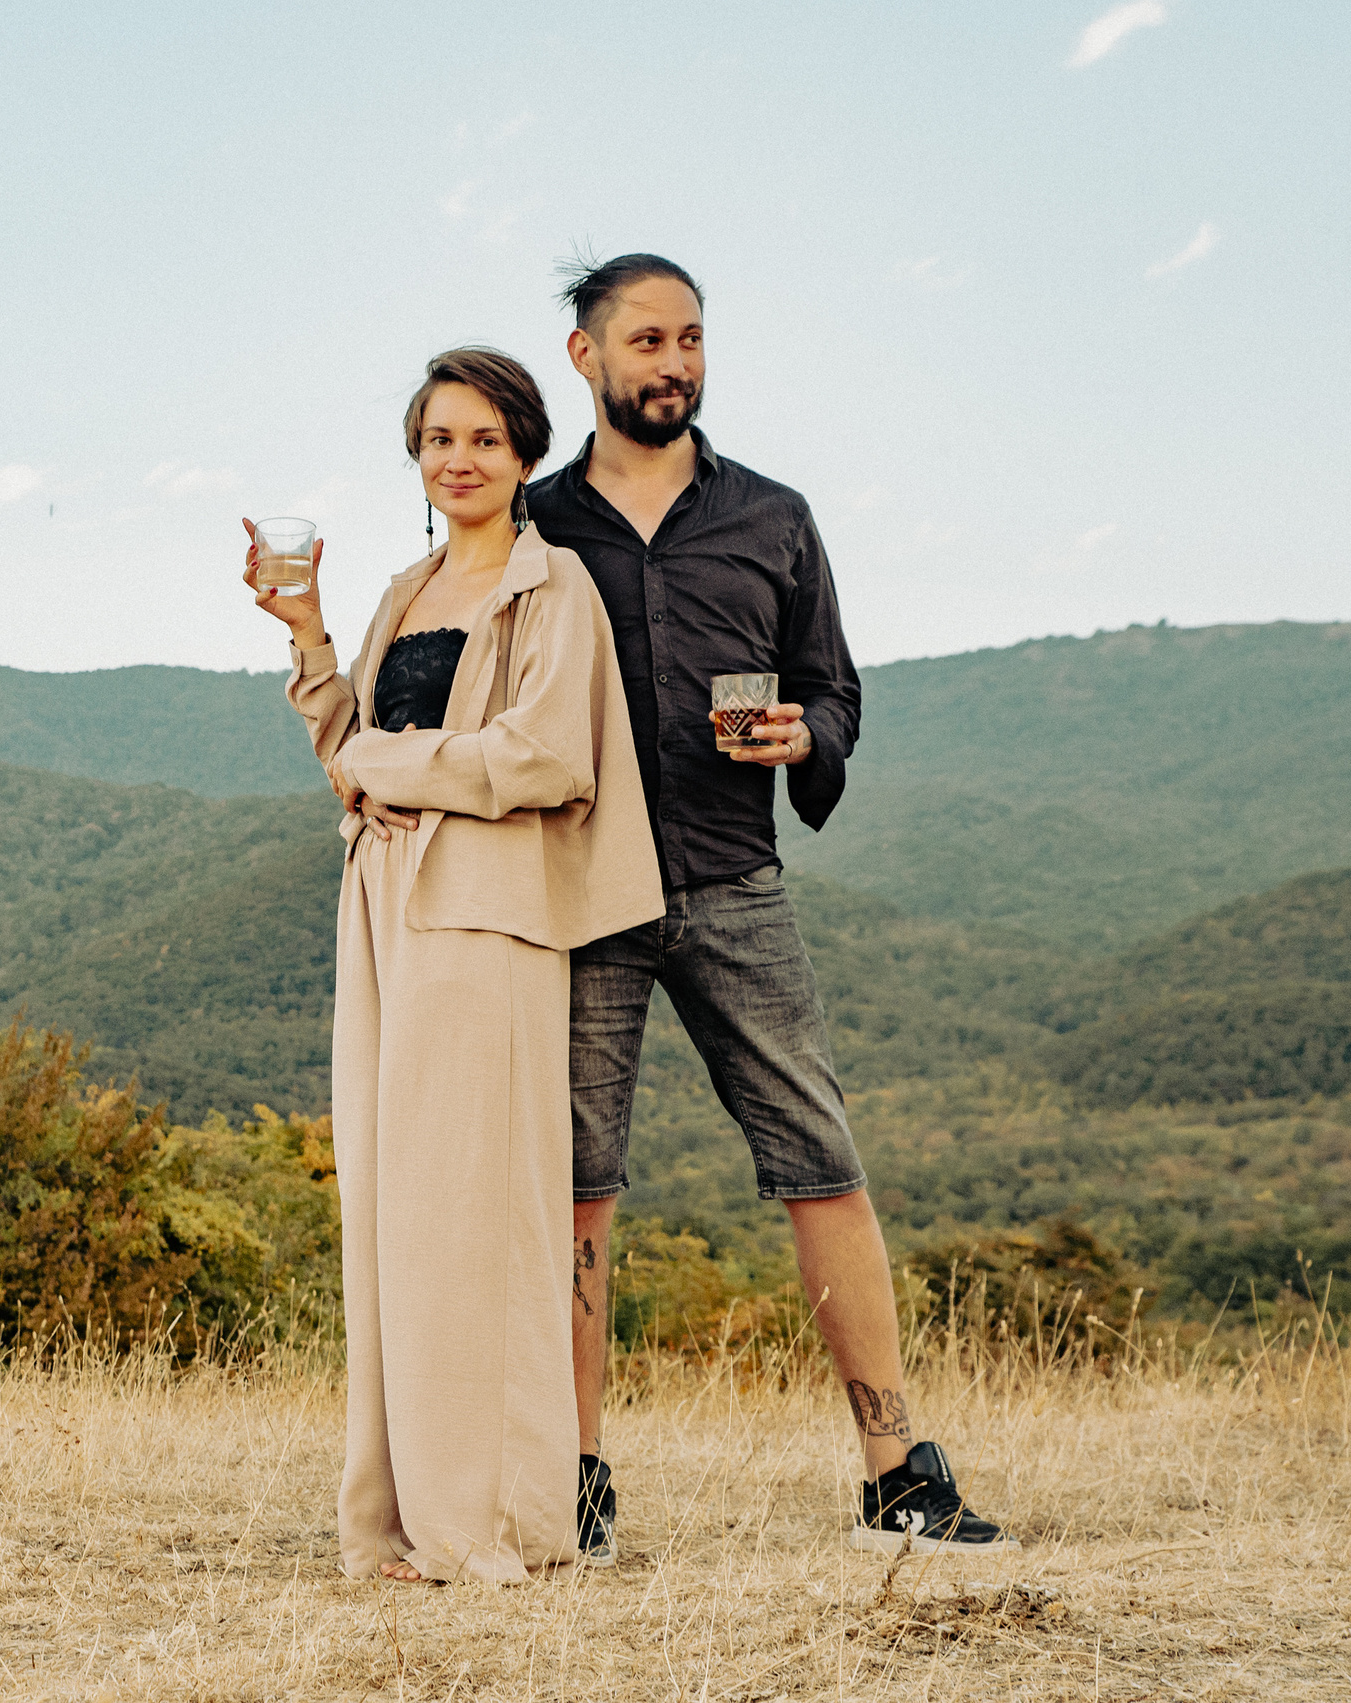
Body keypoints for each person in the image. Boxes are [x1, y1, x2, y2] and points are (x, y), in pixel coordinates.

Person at [524, 253, 1017, 1562]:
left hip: (738, 882)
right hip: (580, 890)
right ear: (588, 357)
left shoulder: (774, 517)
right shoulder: (530, 522)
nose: (673, 361)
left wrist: (805, 736)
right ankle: (574, 1482)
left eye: (691, 338)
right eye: (646, 339)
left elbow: (836, 687)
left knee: (824, 1164)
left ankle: (898, 1473)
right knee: (577, 1194)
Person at [243, 347, 660, 1583]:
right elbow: (348, 750)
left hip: (487, 916)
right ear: (417, 460)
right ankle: (403, 1514)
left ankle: (497, 1519)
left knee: (471, 1213)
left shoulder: (555, 586)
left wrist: (393, 768)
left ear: (524, 452)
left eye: (482, 437)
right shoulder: (407, 589)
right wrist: (310, 635)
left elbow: (545, 756)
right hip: (378, 906)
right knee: (389, 1205)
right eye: (437, 440)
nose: (458, 459)